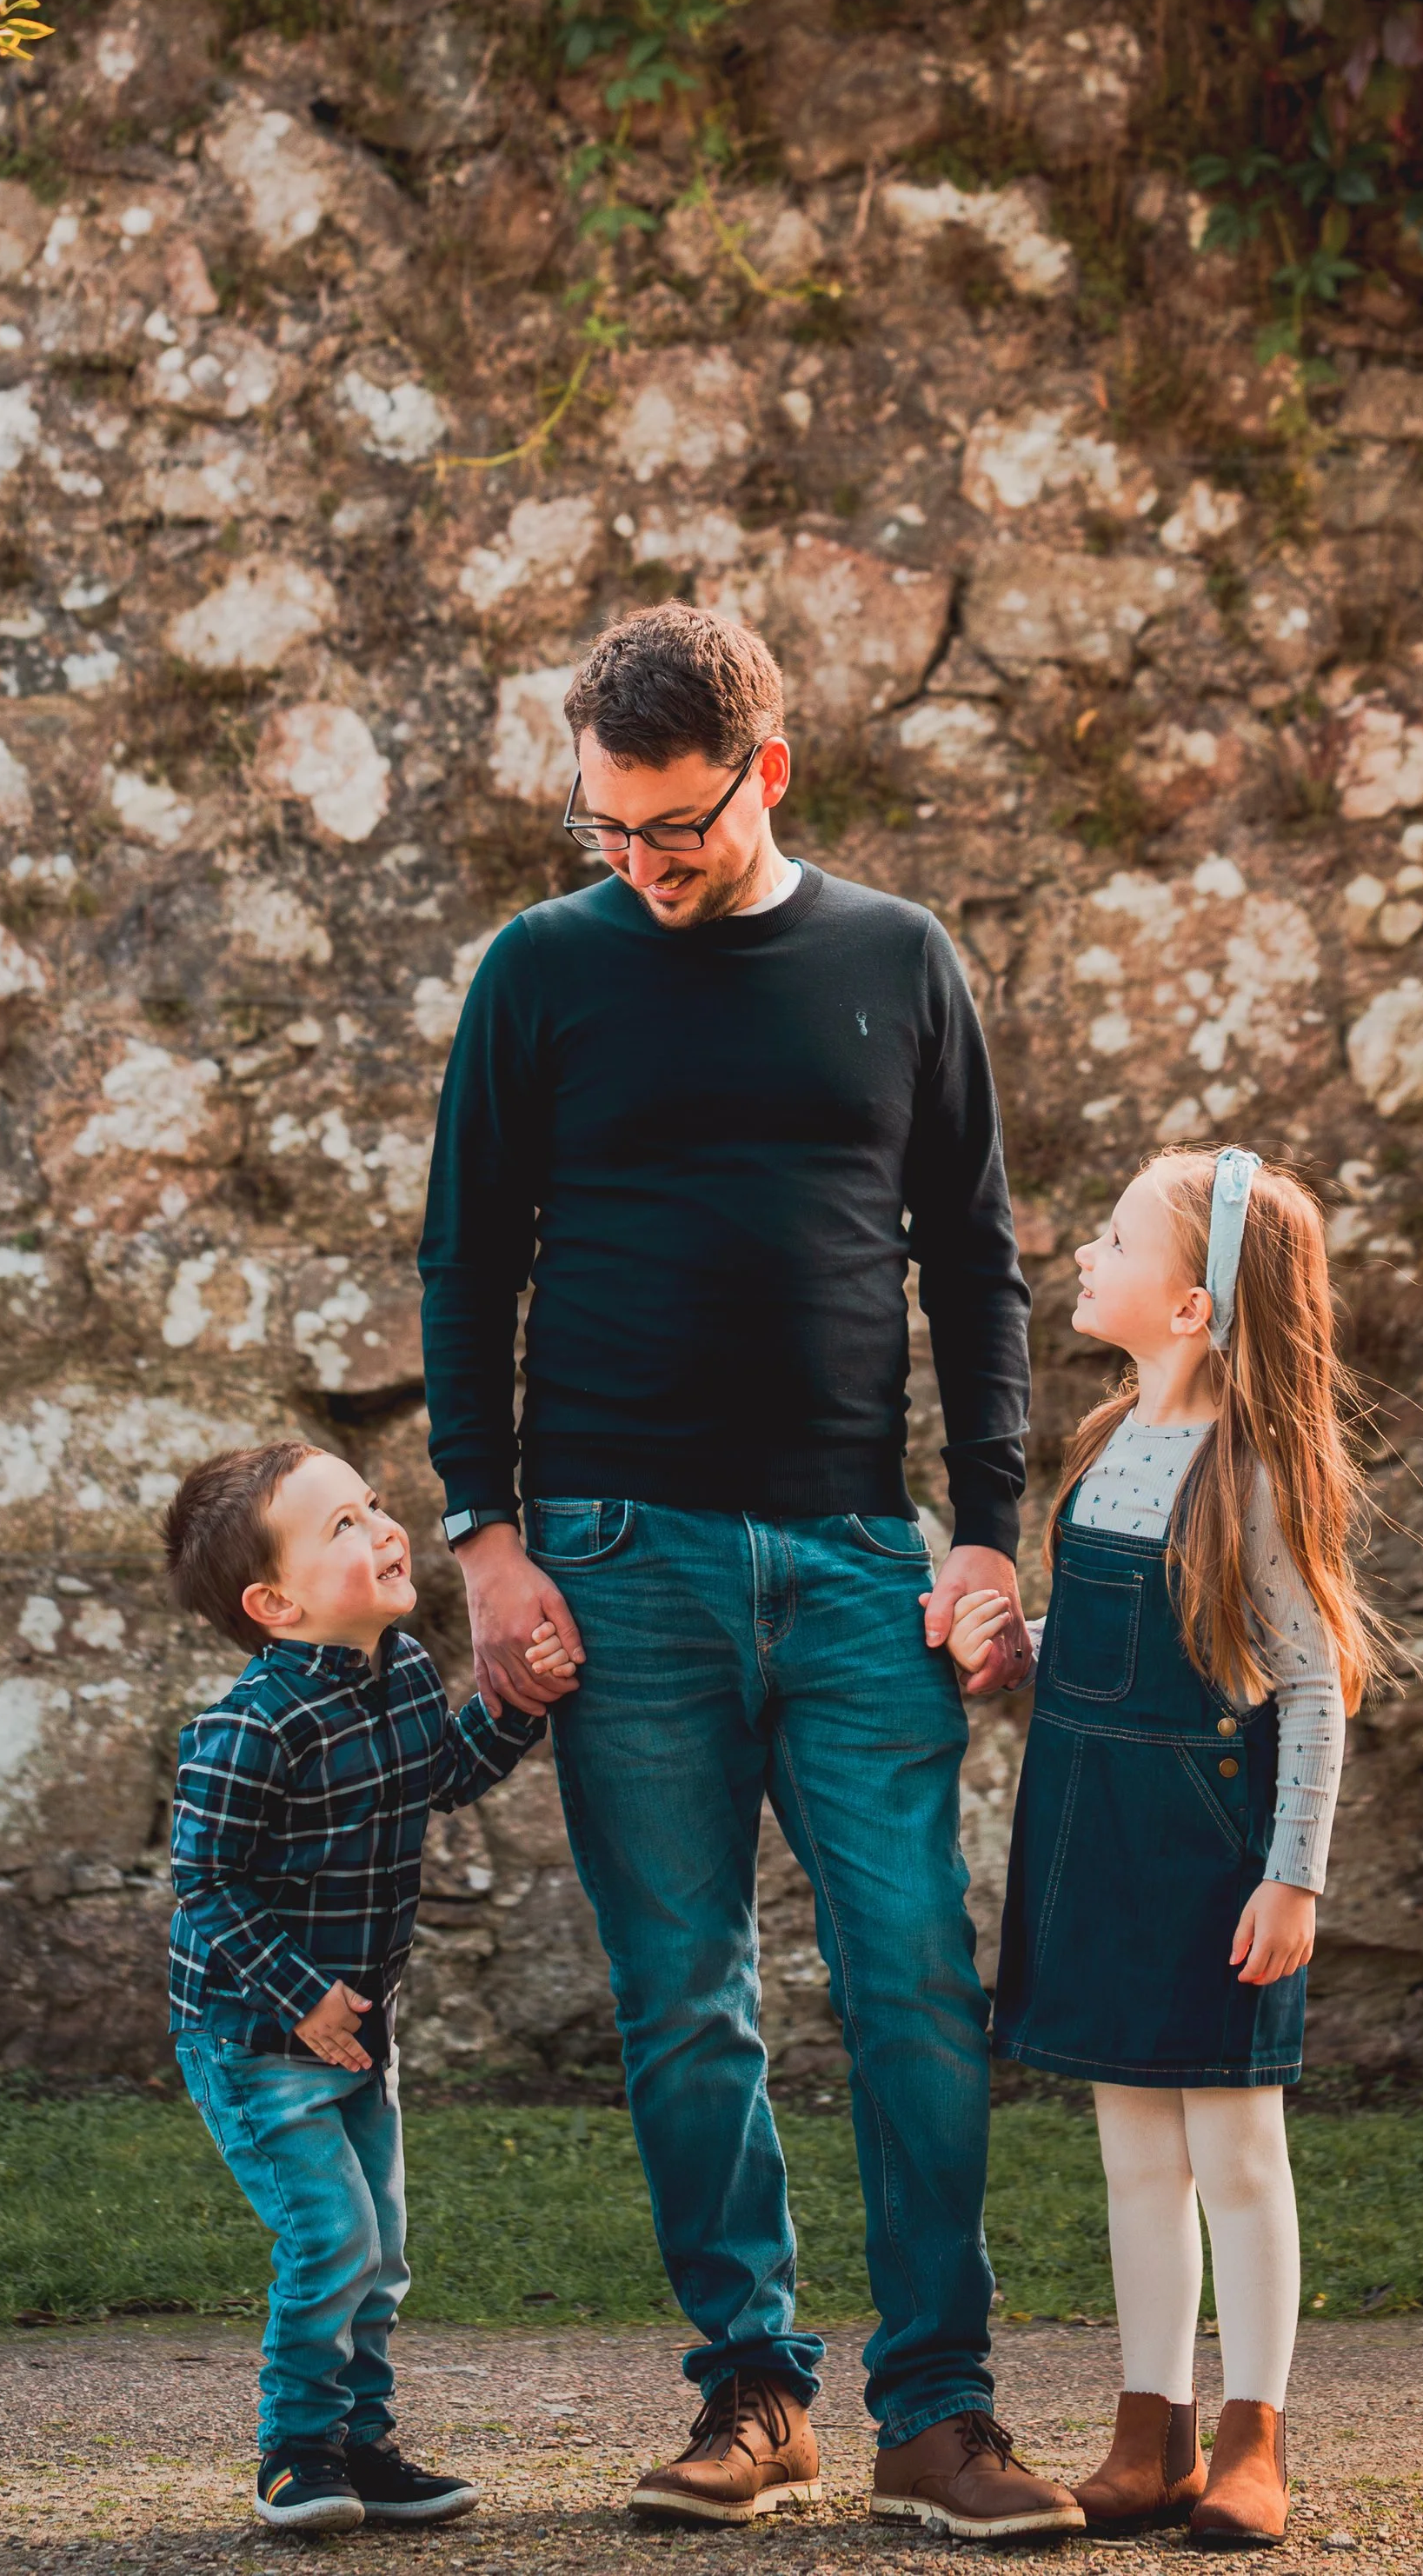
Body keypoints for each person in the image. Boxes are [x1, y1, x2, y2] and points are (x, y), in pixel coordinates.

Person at [418, 602, 1083, 2539]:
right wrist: (485, 1540)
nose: (639, 862)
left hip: (862, 1556)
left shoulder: (896, 959)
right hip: (616, 1561)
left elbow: (973, 1261)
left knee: (912, 1987)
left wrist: (980, 1523)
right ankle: (751, 2392)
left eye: (674, 827)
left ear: (764, 773)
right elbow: (465, 1264)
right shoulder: (538, 973)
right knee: (681, 1997)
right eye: (605, 828)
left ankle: (937, 2415)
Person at [961, 1146, 1392, 2551]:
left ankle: (1255, 2435)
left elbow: (1313, 1681)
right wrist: (1010, 1646)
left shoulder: (1251, 1472)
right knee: (1134, 2156)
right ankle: (1149, 2433)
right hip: (1097, 1844)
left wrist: (1296, 1872)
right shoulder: (1102, 1447)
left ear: (1194, 1307)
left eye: (1116, 1240)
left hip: (1215, 1863)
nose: (1084, 1255)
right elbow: (1098, 1649)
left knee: (1238, 2151)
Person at [163, 1438, 569, 2534]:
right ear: (274, 1603)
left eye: (375, 1505)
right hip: (256, 2036)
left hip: (358, 2032)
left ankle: (363, 2446)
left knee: (380, 2252)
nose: (385, 1528)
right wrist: (299, 1992)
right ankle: (293, 2451)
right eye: (341, 1525)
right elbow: (204, 1878)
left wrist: (520, 1705)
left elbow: (442, 1774)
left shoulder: (395, 1675)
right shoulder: (249, 1727)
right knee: (330, 2237)